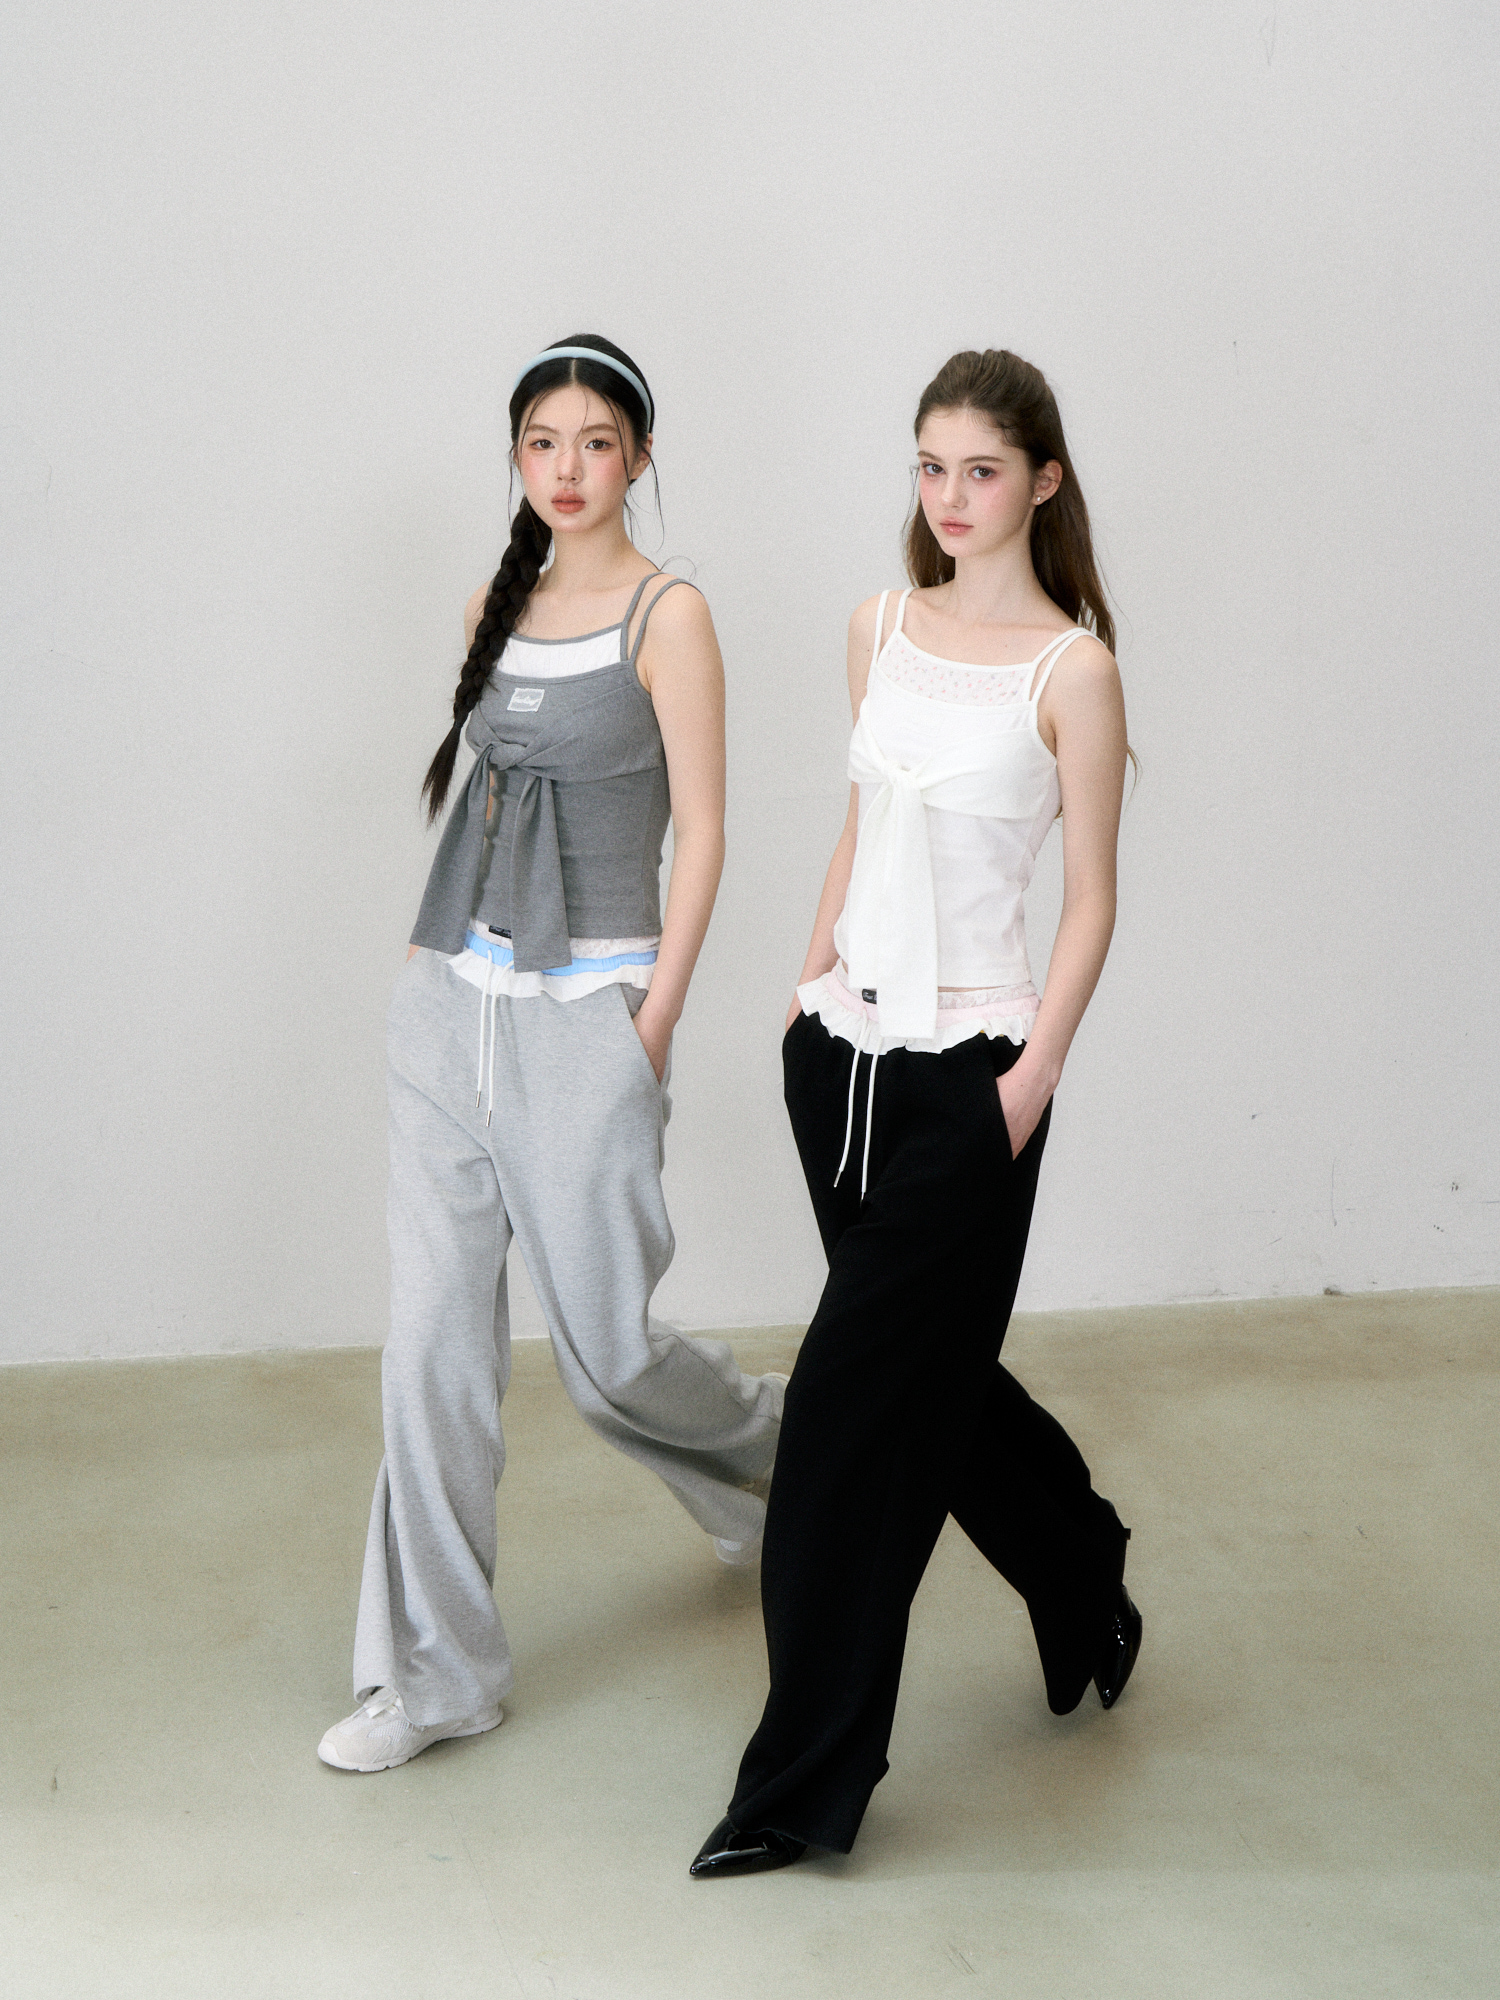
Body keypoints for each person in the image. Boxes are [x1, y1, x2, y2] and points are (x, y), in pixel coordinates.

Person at [690, 348, 1141, 1875]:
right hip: (842, 1063)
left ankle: (798, 1790)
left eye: (981, 471)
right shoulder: (878, 627)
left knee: (840, 1424)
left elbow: (1091, 902)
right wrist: (803, 994)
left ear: (1043, 481)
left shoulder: (1071, 672)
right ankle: (1082, 1568)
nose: (951, 497)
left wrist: (1026, 1087)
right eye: (931, 468)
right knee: (932, 1380)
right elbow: (861, 824)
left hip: (970, 1082)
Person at [319, 335, 784, 1775]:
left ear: (637, 455)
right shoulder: (490, 604)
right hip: (448, 1005)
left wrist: (653, 1018)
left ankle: (790, 1466)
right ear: (517, 458)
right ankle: (433, 1678)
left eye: (594, 441)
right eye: (541, 442)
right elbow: (483, 804)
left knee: (608, 1360)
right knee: (431, 1355)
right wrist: (422, 977)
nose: (567, 468)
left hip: (589, 1016)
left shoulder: (668, 615)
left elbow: (704, 830)